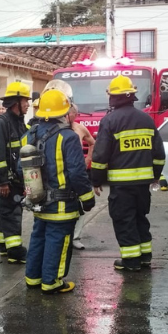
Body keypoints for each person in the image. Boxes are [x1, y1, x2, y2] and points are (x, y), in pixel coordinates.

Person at [22, 89, 95, 294]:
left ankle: (33, 278)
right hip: (62, 203)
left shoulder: (32, 134)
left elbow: (22, 167)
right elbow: (77, 172)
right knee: (58, 240)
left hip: (38, 199)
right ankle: (52, 282)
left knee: (38, 237)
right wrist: (87, 198)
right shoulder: (68, 137)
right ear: (64, 112)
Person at [91, 75, 166, 271]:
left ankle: (131, 261)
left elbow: (100, 156)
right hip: (143, 186)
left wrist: (96, 180)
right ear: (131, 96)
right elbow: (159, 153)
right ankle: (145, 257)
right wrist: (156, 175)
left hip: (122, 187)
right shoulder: (147, 120)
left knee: (125, 221)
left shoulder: (110, 121)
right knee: (141, 218)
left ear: (113, 98)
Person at [0, 81, 32, 263]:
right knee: (11, 212)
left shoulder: (20, 123)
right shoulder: (2, 123)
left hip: (17, 179)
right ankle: (15, 251)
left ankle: (4, 245)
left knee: (6, 212)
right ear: (16, 102)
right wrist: (3, 181)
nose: (28, 104)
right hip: (8, 180)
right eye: (25, 101)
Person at [67, 103, 96, 250]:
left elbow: (92, 143)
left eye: (70, 113)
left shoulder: (79, 128)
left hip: (78, 172)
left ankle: (75, 237)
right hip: (63, 174)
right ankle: (65, 237)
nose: (68, 116)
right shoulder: (59, 129)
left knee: (81, 206)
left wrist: (88, 159)